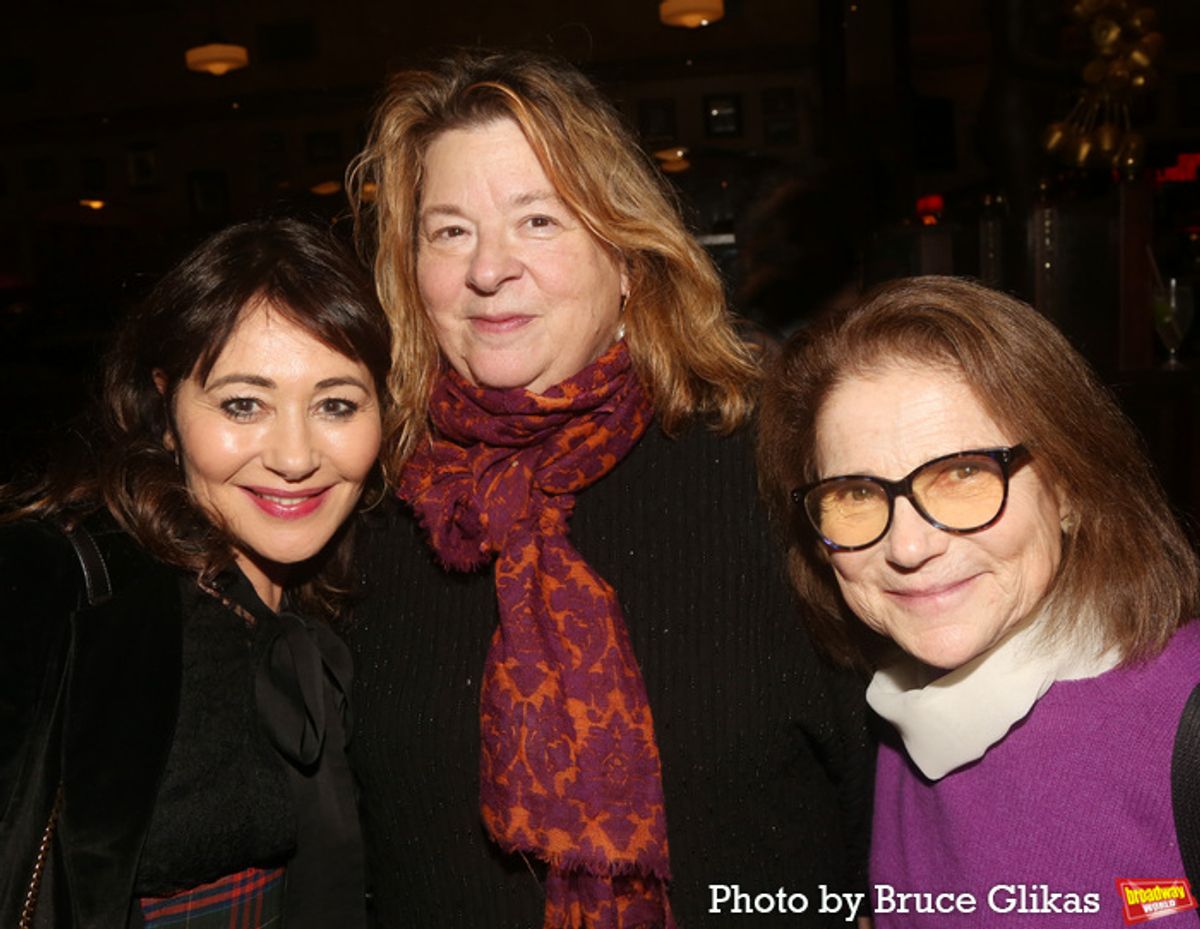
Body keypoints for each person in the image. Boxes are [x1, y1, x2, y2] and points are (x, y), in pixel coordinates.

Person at [345, 49, 872, 929]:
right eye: (448, 231)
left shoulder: (777, 471)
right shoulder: (370, 506)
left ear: (628, 255)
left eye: (539, 220)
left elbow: (896, 802)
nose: (489, 269)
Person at [757, 275, 1200, 927]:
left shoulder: (1181, 721)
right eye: (855, 494)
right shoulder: (885, 724)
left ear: (1070, 485)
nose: (907, 546)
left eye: (963, 473)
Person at [0, 217, 391, 928]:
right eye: (244, 403)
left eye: (336, 403)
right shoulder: (68, 592)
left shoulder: (380, 593)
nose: (295, 455)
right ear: (166, 406)